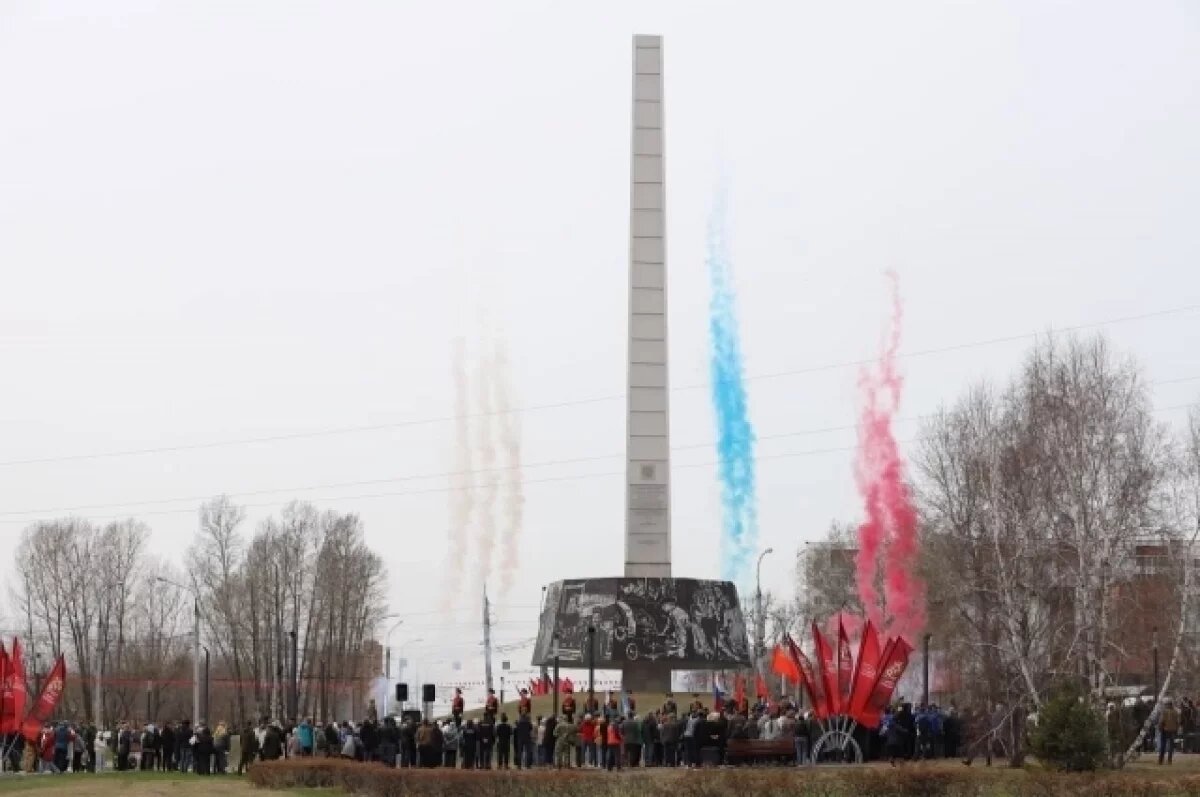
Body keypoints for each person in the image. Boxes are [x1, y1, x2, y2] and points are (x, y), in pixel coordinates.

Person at [1159, 698, 1181, 765]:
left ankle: (1161, 760)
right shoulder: (1176, 712)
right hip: (1173, 730)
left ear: (1168, 705)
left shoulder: (1164, 711)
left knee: (1163, 745)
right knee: (1171, 746)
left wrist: (1160, 728)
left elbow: (1161, 721)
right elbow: (1178, 722)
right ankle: (1169, 760)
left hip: (1165, 730)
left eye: (1166, 704)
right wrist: (1176, 729)